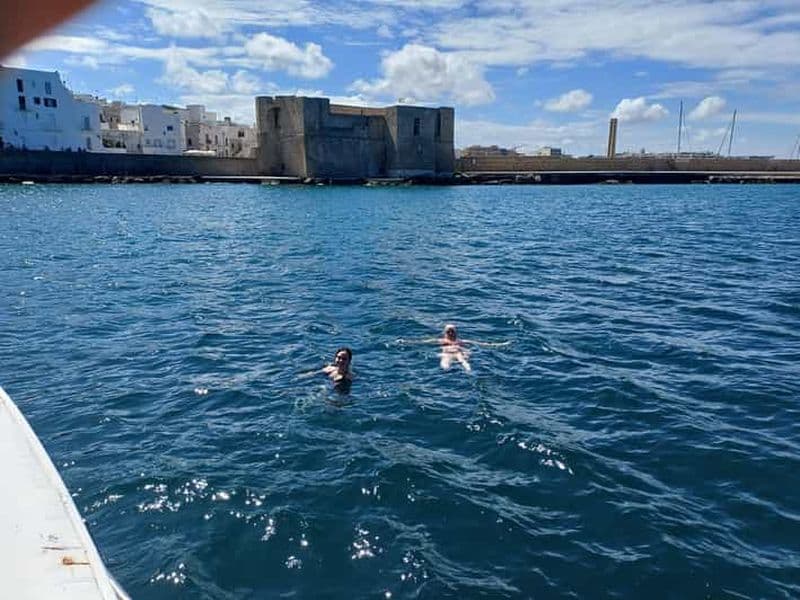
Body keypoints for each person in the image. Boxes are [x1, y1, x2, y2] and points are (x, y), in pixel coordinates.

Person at [402, 324, 509, 373]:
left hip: (459, 352)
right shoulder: (441, 341)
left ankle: (468, 373)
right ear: (445, 332)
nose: (450, 333)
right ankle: (449, 373)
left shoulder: (461, 341)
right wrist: (406, 342)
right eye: (448, 331)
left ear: (456, 332)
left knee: (464, 363)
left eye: (452, 331)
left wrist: (501, 345)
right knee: (445, 366)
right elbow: (422, 342)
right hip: (447, 353)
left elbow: (483, 344)